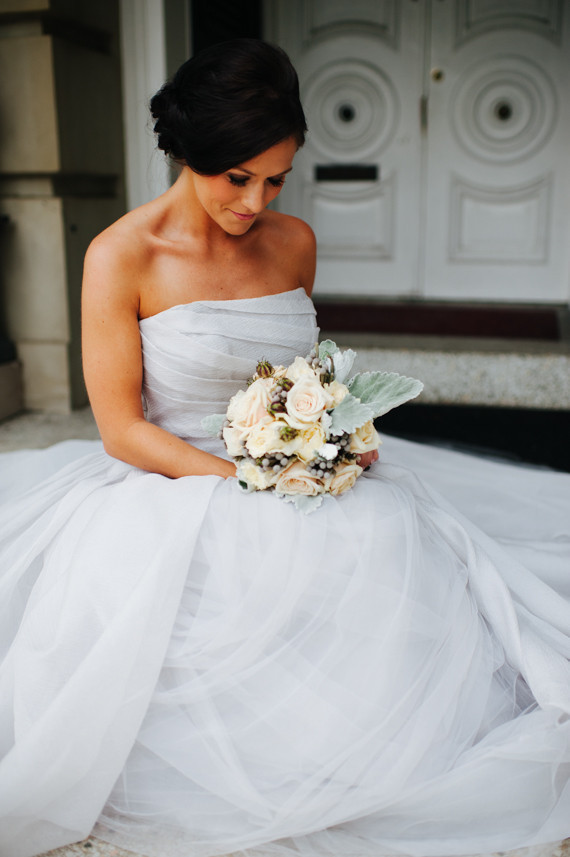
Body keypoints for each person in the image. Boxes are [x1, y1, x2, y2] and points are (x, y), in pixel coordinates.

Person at [0, 38, 569, 857]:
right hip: (176, 472)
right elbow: (123, 428)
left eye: (276, 179)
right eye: (238, 177)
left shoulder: (292, 242)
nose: (256, 201)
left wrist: (334, 437)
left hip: (296, 461)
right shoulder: (120, 255)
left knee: (383, 545)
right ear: (189, 152)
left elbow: (304, 377)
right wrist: (252, 479)